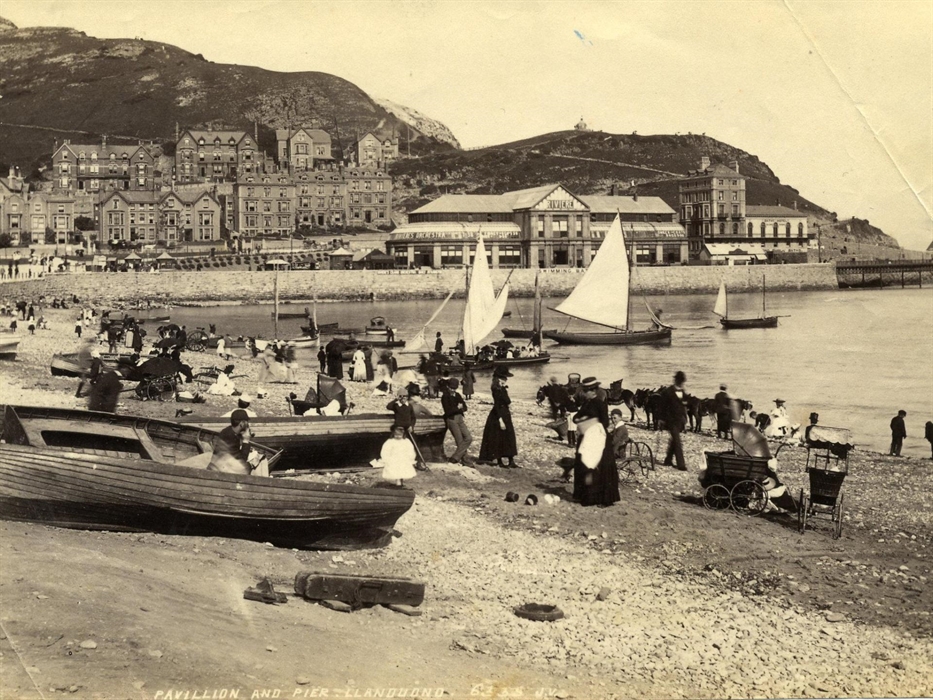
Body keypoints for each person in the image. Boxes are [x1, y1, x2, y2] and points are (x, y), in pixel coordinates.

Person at [572, 404, 621, 508]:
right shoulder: (593, 425)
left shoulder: (598, 426)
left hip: (600, 442)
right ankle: (595, 498)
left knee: (602, 470)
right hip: (596, 440)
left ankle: (606, 499)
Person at [478, 366, 518, 468]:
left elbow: (507, 401)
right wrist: (500, 420)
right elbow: (498, 405)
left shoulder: (501, 389)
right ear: (498, 379)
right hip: (498, 415)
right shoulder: (496, 390)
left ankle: (511, 460)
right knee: (499, 438)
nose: (506, 380)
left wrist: (504, 388)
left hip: (504, 413)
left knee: (508, 437)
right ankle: (500, 460)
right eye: (504, 378)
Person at [208, 409, 261, 475]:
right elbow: (242, 462)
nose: (248, 424)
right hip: (223, 471)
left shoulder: (228, 431)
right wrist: (246, 441)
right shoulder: (231, 437)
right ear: (242, 423)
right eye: (247, 421)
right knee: (250, 465)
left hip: (219, 464)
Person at [659, 371, 689, 471]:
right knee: (677, 441)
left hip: (680, 420)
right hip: (670, 420)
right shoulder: (667, 392)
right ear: (676, 380)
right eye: (680, 381)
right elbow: (662, 407)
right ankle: (681, 465)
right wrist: (661, 419)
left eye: (682, 381)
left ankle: (668, 460)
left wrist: (685, 418)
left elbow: (684, 406)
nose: (681, 383)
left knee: (674, 441)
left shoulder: (683, 392)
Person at [442, 378, 473, 465]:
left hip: (460, 419)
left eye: (454, 388)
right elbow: (448, 411)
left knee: (468, 438)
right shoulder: (445, 397)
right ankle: (465, 460)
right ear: (447, 387)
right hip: (451, 420)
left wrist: (458, 408)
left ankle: (455, 458)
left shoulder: (458, 395)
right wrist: (458, 408)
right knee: (459, 441)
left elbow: (465, 407)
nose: (453, 390)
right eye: (451, 388)